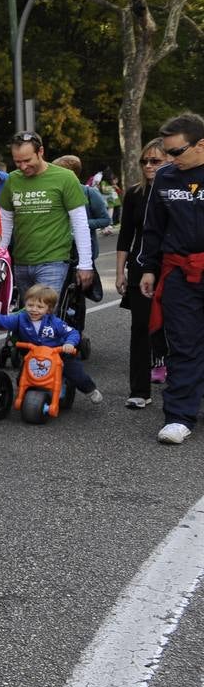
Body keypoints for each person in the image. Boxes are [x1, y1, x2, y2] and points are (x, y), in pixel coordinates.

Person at [137, 112, 204, 445]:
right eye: (168, 152)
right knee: (182, 344)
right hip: (178, 271)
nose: (171, 159)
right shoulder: (165, 178)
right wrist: (149, 267)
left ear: (201, 144)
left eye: (177, 152)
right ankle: (179, 416)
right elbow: (153, 227)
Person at [0, 131, 94, 299]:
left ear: (40, 152)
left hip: (53, 261)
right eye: (17, 162)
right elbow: (5, 221)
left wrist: (85, 264)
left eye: (27, 160)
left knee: (41, 313)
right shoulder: (12, 179)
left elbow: (80, 223)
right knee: (29, 315)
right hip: (21, 262)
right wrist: (0, 256)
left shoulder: (65, 177)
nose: (22, 167)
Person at [118, 138, 169, 408]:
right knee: (140, 328)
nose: (149, 165)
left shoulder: (180, 191)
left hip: (174, 266)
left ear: (170, 160)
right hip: (140, 267)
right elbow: (125, 235)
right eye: (145, 161)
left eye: (156, 161)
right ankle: (139, 391)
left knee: (179, 331)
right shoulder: (135, 194)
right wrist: (120, 273)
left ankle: (183, 389)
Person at [0, 284, 102, 403]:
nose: (34, 309)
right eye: (30, 305)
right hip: (34, 356)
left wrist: (69, 344)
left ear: (49, 309)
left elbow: (72, 332)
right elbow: (4, 320)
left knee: (75, 373)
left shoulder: (55, 323)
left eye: (39, 307)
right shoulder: (20, 319)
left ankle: (90, 390)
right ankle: (29, 394)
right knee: (22, 380)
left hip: (59, 355)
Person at [53, 155, 111, 259]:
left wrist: (80, 223)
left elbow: (105, 220)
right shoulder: (53, 193)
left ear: (71, 174)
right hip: (57, 252)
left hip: (83, 252)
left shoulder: (89, 192)